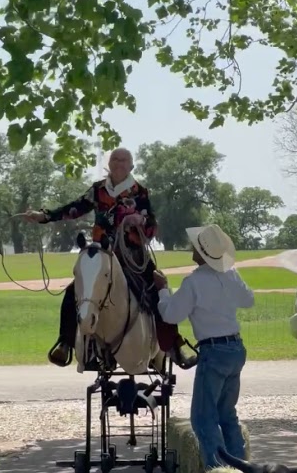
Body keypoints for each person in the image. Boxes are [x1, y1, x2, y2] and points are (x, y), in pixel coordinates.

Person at [22, 148, 195, 370]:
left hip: (132, 257)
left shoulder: (140, 192)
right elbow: (75, 208)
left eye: (124, 160)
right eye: (115, 159)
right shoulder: (98, 190)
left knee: (156, 288)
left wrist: (139, 222)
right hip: (102, 255)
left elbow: (152, 226)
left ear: (131, 166)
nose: (119, 163)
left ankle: (173, 346)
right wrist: (45, 216)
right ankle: (65, 343)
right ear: (109, 164)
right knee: (74, 291)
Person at [153, 225, 254, 471]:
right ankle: (241, 470)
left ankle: (218, 471)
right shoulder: (231, 273)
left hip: (214, 351)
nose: (191, 247)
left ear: (201, 251)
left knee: (203, 418)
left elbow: (170, 314)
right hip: (235, 348)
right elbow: (248, 300)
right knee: (227, 414)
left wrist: (162, 289)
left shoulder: (194, 282)